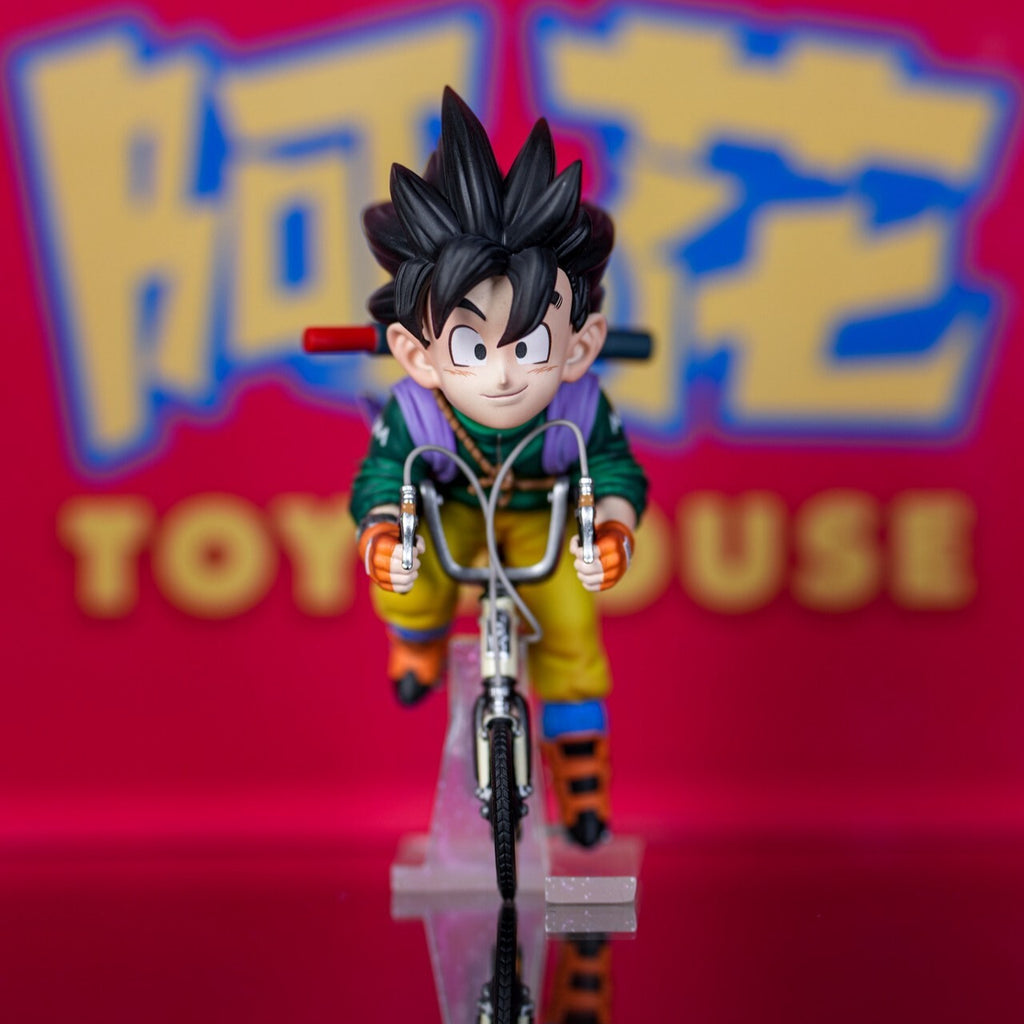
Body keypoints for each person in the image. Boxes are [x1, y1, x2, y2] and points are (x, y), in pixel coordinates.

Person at [350, 88, 647, 846]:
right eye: (472, 347)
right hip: (450, 506)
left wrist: (611, 529)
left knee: (571, 629)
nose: (504, 374)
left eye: (532, 344)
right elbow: (381, 479)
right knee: (410, 576)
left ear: (580, 344)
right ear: (417, 354)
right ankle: (416, 636)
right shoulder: (416, 413)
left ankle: (579, 773)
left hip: (544, 515)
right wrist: (383, 533)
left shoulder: (580, 405)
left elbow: (614, 469)